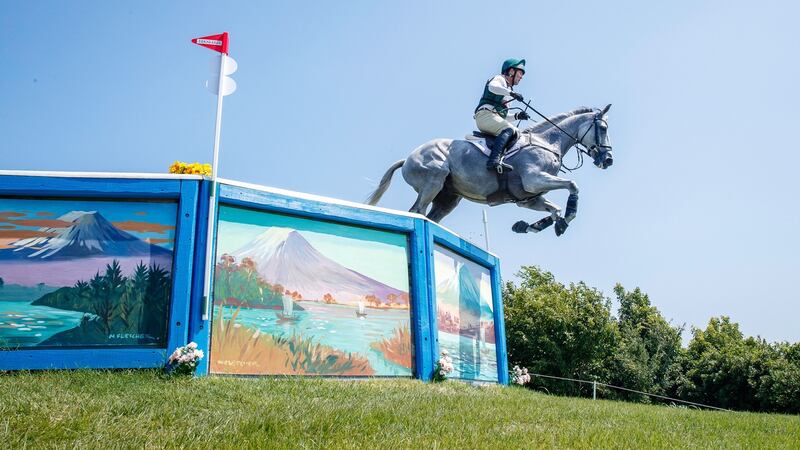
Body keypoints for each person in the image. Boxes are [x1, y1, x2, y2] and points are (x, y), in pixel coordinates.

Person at [474, 58, 531, 172]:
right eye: (520, 72)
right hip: (485, 115)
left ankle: (502, 159)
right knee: (510, 130)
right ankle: (493, 161)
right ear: (511, 71)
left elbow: (503, 117)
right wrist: (512, 93)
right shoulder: (499, 79)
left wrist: (517, 116)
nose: (521, 77)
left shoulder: (507, 92)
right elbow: (492, 87)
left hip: (492, 117)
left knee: (515, 133)